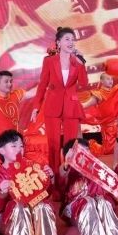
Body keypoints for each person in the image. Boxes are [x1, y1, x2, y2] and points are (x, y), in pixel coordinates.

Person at [58, 138, 118, 235]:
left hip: (95, 207)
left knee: (104, 200)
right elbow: (62, 175)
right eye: (81, 150)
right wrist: (67, 163)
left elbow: (109, 191)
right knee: (87, 201)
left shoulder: (96, 169)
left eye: (87, 150)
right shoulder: (68, 170)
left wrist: (117, 187)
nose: (85, 153)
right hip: (74, 209)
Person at [31, 27, 89, 173]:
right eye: (67, 39)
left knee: (71, 145)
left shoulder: (77, 62)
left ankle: (69, 176)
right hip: (52, 106)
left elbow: (83, 83)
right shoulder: (49, 61)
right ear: (58, 42)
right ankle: (54, 177)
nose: (71, 42)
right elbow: (42, 85)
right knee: (54, 145)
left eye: (73, 40)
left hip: (71, 106)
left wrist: (81, 63)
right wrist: (36, 106)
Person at [80, 73, 118, 167]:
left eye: (111, 79)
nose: (110, 81)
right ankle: (92, 145)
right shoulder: (98, 94)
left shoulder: (116, 91)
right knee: (108, 151)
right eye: (108, 79)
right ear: (101, 81)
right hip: (108, 126)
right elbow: (85, 105)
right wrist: (73, 104)